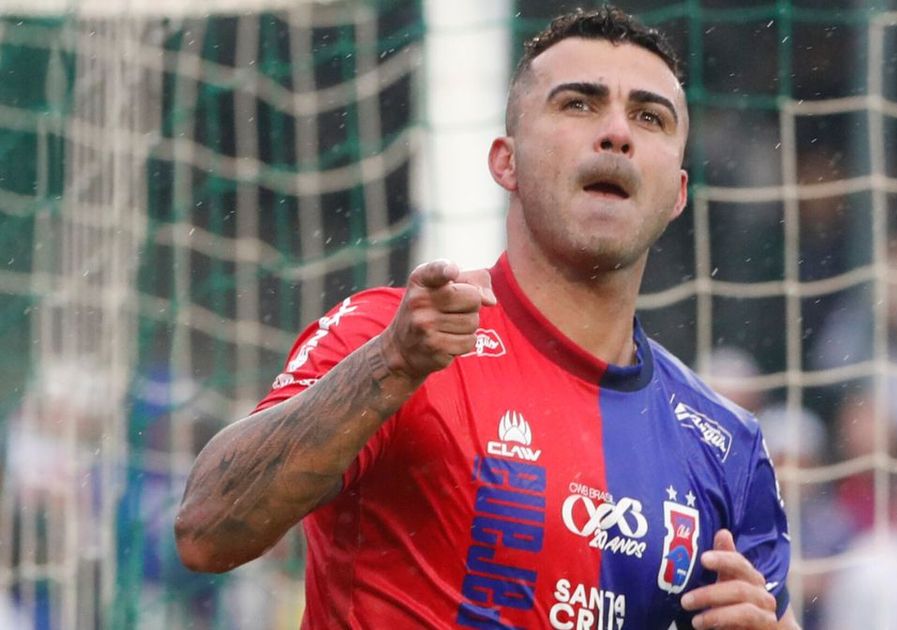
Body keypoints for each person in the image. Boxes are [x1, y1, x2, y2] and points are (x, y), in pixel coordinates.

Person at [174, 7, 797, 629]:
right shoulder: (390, 340)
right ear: (506, 162)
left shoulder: (725, 446)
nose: (617, 133)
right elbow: (206, 533)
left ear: (678, 193)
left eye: (649, 116)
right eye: (578, 104)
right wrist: (390, 366)